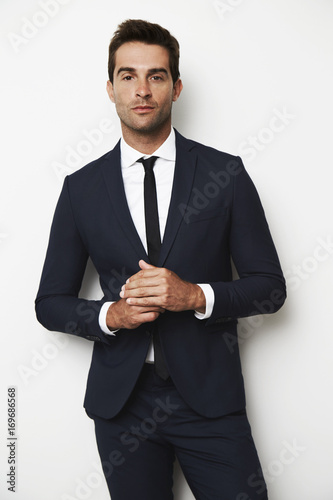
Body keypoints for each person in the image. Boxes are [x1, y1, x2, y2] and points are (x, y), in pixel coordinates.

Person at [35, 19, 286, 500]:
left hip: (210, 402)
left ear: (176, 86)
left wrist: (194, 295)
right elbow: (50, 302)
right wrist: (113, 314)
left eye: (156, 75)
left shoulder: (225, 174)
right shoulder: (81, 189)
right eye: (128, 76)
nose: (142, 89)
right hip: (122, 404)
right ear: (110, 89)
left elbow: (271, 288)